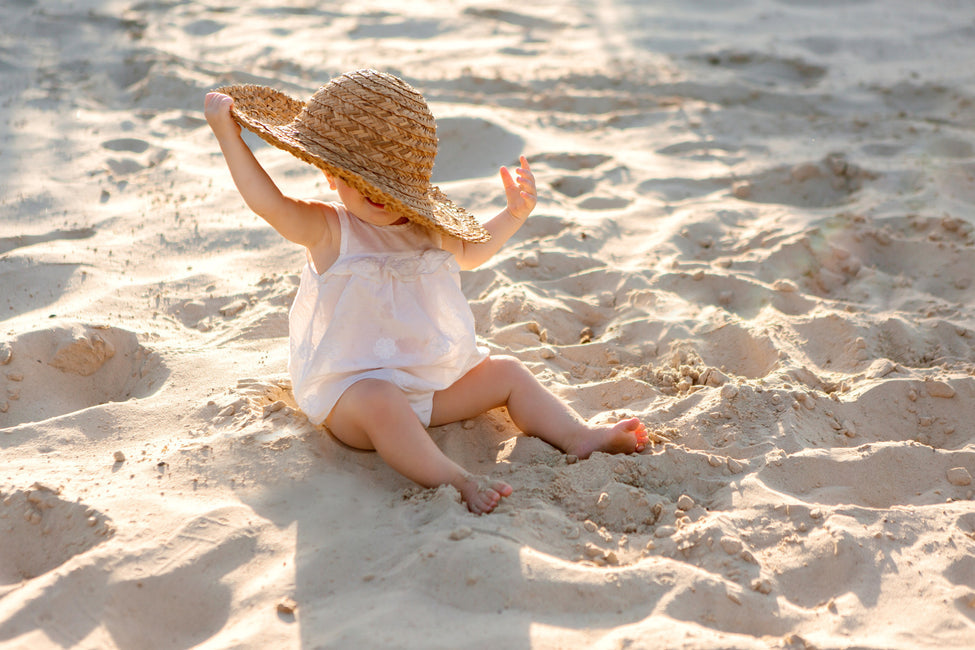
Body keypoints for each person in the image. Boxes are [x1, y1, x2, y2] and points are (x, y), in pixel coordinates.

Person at [204, 69, 649, 514]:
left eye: (387, 181)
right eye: (358, 177)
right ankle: (455, 478)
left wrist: (513, 215)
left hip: (430, 380)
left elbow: (473, 254)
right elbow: (268, 203)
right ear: (330, 175)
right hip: (353, 393)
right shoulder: (329, 229)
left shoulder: (427, 230)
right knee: (382, 401)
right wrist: (228, 135)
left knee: (509, 373)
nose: (374, 192)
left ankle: (578, 435)